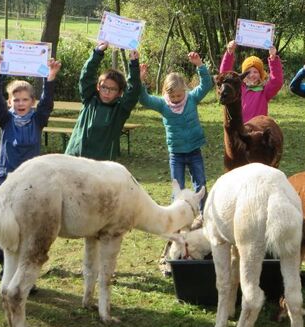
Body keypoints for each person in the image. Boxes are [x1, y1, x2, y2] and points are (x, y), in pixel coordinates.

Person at [0, 52, 61, 279]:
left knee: (28, 230)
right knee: (6, 228)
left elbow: (47, 103)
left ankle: (24, 274)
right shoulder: (6, 120)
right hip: (7, 180)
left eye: (25, 100)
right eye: (16, 100)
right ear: (10, 102)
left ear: (32, 102)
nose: (20, 103)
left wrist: (50, 77)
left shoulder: (38, 120)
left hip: (32, 184)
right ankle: (5, 269)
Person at [139, 52, 212, 207]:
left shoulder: (191, 99)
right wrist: (140, 80)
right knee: (177, 189)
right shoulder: (162, 105)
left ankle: (203, 214)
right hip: (176, 154)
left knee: (201, 184)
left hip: (194, 151)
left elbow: (206, 85)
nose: (177, 99)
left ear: (185, 90)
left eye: (180, 95)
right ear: (166, 93)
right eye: (173, 97)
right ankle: (177, 217)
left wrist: (200, 65)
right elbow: (144, 99)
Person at [65, 41, 140, 160]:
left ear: (120, 92)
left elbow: (133, 91)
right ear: (98, 87)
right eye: (104, 87)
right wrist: (98, 53)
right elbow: (86, 75)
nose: (107, 92)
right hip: (75, 158)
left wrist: (134, 64)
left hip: (102, 165)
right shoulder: (89, 99)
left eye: (112, 89)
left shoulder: (120, 109)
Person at [219, 40, 283, 123]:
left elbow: (276, 82)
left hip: (258, 131)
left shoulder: (264, 91)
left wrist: (273, 58)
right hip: (240, 129)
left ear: (260, 74)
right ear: (243, 74)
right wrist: (229, 53)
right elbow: (225, 76)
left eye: (255, 72)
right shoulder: (237, 88)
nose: (252, 75)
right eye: (248, 72)